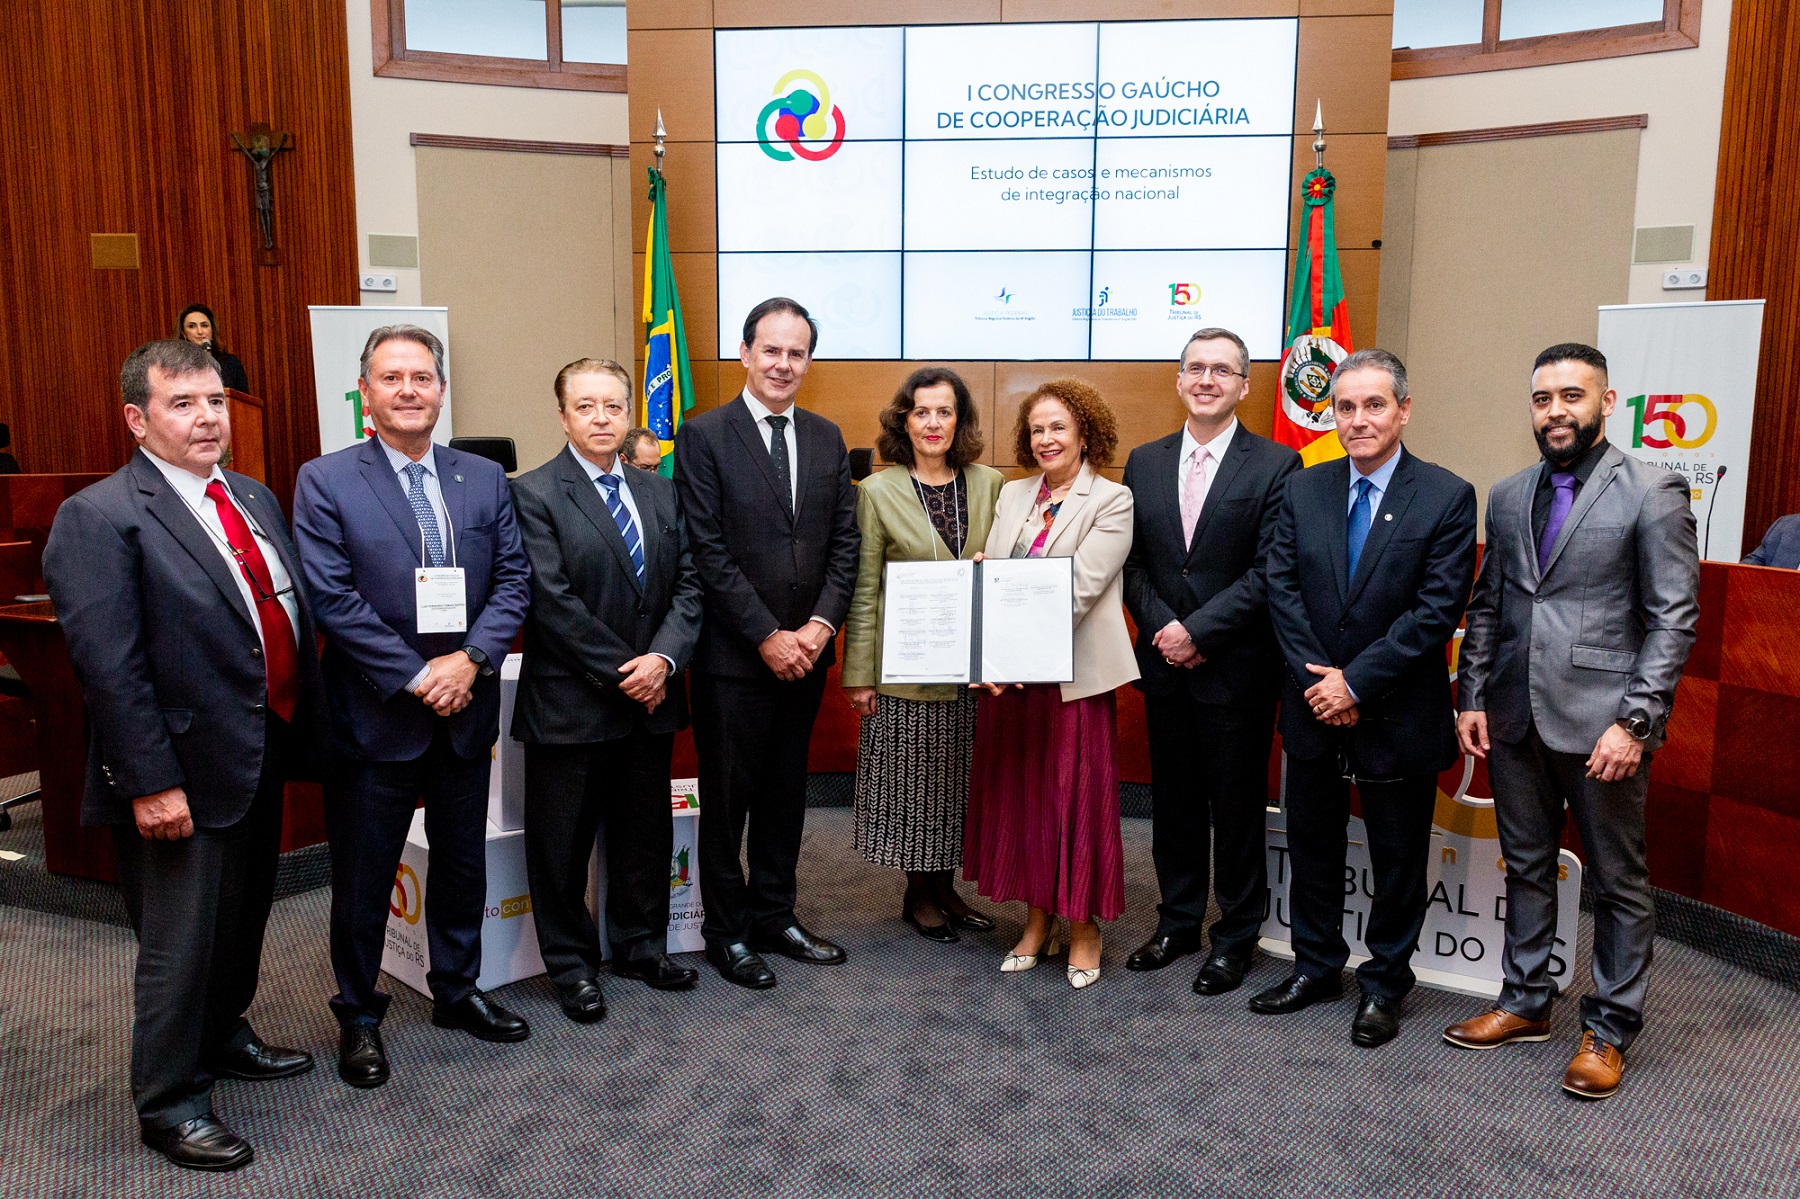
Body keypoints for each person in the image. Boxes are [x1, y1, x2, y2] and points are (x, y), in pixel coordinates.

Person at [42, 339, 326, 1171]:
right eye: (183, 404)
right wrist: (151, 781)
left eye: (216, 401)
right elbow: (110, 666)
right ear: (137, 418)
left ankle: (225, 1033)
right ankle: (168, 1100)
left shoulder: (251, 494)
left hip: (259, 743)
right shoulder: (99, 516)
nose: (207, 418)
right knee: (180, 941)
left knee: (242, 919)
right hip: (178, 769)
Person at [1445, 342, 1699, 1100]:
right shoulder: (1510, 490)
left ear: (1607, 402)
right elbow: (1489, 605)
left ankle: (1610, 1028)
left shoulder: (1653, 491)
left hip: (1604, 731)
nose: (1556, 410)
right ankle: (1526, 1000)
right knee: (1526, 864)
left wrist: (1638, 722)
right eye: (1542, 397)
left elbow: (1673, 619)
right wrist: (1472, 695)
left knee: (1618, 882)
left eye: (1571, 396)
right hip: (1516, 718)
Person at [293, 324, 532, 1087]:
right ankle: (359, 1014)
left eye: (421, 376)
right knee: (366, 876)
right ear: (365, 392)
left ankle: (457, 991)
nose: (408, 389)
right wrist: (416, 675)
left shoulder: (483, 477)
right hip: (376, 713)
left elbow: (514, 583)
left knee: (462, 864)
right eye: (391, 377)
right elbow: (331, 597)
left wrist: (469, 661)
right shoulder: (325, 479)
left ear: (440, 388)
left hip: (465, 705)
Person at [1257, 348, 1476, 1048]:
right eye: (1345, 407)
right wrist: (1324, 681)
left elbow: (1436, 610)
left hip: (1396, 713)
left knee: (1397, 859)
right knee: (1315, 843)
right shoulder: (1303, 488)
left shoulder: (1446, 495)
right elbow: (1280, 589)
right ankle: (1317, 965)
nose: (1358, 419)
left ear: (1403, 409)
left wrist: (1355, 681)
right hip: (1314, 707)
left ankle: (1384, 983)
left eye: (1374, 404)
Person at [674, 297, 860, 989]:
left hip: (807, 655)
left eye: (797, 352)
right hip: (734, 657)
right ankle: (726, 931)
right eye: (771, 349)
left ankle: (775, 913)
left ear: (809, 360)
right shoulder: (704, 435)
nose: (784, 363)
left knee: (787, 792)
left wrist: (817, 628)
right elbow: (706, 547)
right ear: (745, 352)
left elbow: (845, 543)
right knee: (728, 800)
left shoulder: (826, 436)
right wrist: (766, 635)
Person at [511, 359, 703, 1022]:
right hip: (573, 701)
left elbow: (689, 588)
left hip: (651, 701)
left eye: (613, 406)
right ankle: (571, 963)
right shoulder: (532, 493)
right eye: (586, 406)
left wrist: (665, 661)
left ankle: (640, 945)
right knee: (561, 847)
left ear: (630, 415)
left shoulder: (662, 493)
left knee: (643, 835)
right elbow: (551, 602)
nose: (600, 418)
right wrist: (633, 671)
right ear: (563, 415)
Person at [1121, 328, 1300, 992]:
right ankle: (1176, 921)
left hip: (1236, 668)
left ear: (1244, 385)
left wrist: (1198, 630)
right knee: (1174, 803)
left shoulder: (1278, 465)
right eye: (1195, 368)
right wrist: (1164, 626)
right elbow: (1132, 561)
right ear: (1178, 379)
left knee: (1236, 806)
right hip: (1164, 665)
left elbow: (1271, 570)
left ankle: (1235, 936)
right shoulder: (1143, 460)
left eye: (1221, 370)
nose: (1206, 379)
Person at [964, 379, 1137, 989]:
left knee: (1075, 803)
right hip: (1011, 686)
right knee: (1027, 801)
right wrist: (983, 578)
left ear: (1084, 432)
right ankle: (1037, 919)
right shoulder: (1011, 494)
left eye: (1058, 427)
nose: (1046, 439)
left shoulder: (1112, 500)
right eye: (1036, 429)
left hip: (1072, 680)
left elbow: (1079, 591)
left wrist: (1011, 653)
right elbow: (994, 573)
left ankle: (1084, 925)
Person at [840, 368, 1004, 942]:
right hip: (904, 670)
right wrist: (858, 676)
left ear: (959, 422)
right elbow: (864, 590)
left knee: (958, 783)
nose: (933, 423)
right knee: (913, 783)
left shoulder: (990, 483)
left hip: (973, 668)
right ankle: (919, 895)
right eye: (921, 412)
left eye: (945, 412)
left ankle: (946, 887)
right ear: (903, 422)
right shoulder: (877, 492)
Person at [177, 304, 250, 393]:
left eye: (204, 325)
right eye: (192, 326)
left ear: (212, 330)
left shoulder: (230, 362)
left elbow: (243, 401)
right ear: (184, 334)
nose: (200, 331)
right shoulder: (176, 364)